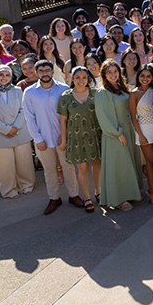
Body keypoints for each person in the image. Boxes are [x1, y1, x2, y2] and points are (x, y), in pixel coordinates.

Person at [23, 60, 82, 215]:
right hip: (42, 139)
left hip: (62, 138)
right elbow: (29, 118)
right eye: (41, 71)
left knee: (68, 167)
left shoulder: (63, 89)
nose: (45, 73)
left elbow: (70, 115)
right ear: (36, 73)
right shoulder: (29, 92)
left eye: (48, 70)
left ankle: (73, 195)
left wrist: (66, 136)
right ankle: (54, 198)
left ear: (53, 71)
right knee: (49, 170)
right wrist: (37, 139)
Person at [0, 64, 36, 199]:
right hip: (0, 133)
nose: (4, 78)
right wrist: (7, 130)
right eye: (1, 74)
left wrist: (15, 127)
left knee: (24, 161)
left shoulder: (17, 90)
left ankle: (26, 185)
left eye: (7, 75)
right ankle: (9, 190)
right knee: (5, 165)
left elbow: (23, 110)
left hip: (20, 130)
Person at [94, 61, 143, 211]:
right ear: (103, 75)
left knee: (129, 163)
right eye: (109, 72)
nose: (113, 74)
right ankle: (119, 198)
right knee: (119, 165)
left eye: (115, 71)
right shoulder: (103, 92)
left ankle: (130, 192)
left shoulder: (122, 89)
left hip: (128, 131)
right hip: (115, 134)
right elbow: (103, 116)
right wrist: (117, 133)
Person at [57, 66, 101, 213]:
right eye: (77, 77)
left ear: (88, 78)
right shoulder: (65, 97)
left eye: (84, 77)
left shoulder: (96, 94)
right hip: (76, 138)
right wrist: (63, 141)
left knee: (97, 165)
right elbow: (63, 121)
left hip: (95, 135)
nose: (81, 80)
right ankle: (87, 198)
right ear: (72, 78)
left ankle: (99, 192)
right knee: (82, 169)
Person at [129, 66, 153, 205]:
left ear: (152, 78)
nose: (145, 78)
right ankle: (152, 191)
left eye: (148, 76)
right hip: (144, 129)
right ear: (138, 77)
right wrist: (140, 135)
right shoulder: (134, 94)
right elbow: (133, 116)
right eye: (142, 75)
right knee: (149, 161)